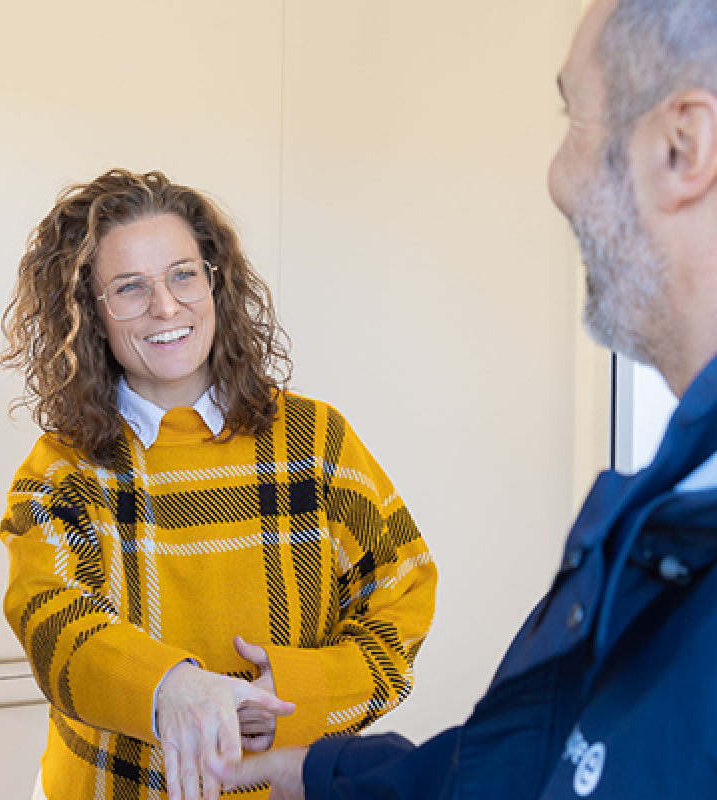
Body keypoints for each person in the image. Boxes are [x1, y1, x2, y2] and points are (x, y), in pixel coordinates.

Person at [205, 0, 717, 797]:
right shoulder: (673, 494)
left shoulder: (312, 436)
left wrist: (311, 695)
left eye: (573, 116)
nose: (556, 178)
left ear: (683, 146)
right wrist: (325, 772)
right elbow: (541, 761)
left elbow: (404, 587)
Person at [0, 169, 438, 800]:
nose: (166, 306)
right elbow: (52, 622)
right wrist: (168, 689)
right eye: (129, 287)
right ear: (88, 315)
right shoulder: (59, 468)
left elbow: (404, 589)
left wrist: (297, 692)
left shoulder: (315, 439)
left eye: (183, 274)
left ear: (214, 279)